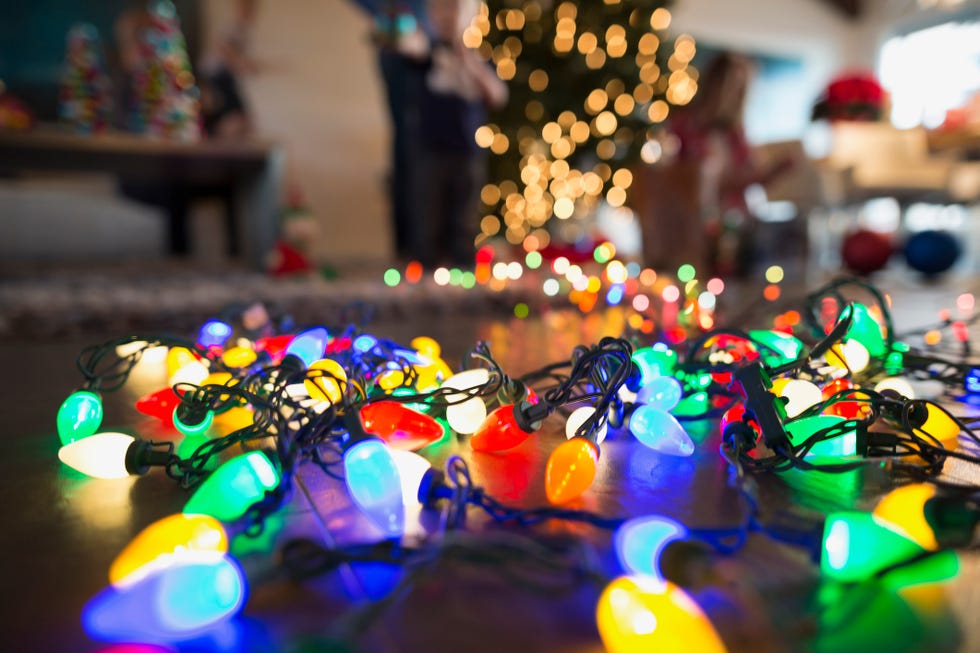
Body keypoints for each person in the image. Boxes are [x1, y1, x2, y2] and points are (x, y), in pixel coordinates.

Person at [638, 52, 793, 276]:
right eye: (732, 85)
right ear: (714, 83)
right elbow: (673, 181)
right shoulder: (681, 127)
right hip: (688, 235)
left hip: (733, 233)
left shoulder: (735, 135)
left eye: (742, 87)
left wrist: (773, 172)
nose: (736, 94)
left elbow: (750, 177)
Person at [406, 0, 507, 266]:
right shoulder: (426, 54)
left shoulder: (480, 59)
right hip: (430, 149)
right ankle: (427, 270)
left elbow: (498, 96)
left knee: (464, 217)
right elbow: (409, 50)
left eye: (453, 7)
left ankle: (463, 272)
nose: (447, 15)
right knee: (428, 215)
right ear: (430, 14)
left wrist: (469, 63)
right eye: (440, 8)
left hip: (466, 151)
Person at [198, 0, 260, 138]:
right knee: (235, 112)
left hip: (223, 74)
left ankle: (216, 135)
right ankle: (213, 136)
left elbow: (237, 58)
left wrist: (245, 64)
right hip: (216, 73)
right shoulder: (233, 28)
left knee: (236, 114)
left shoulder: (244, 30)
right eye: (247, 8)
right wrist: (239, 62)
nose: (250, 13)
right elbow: (223, 48)